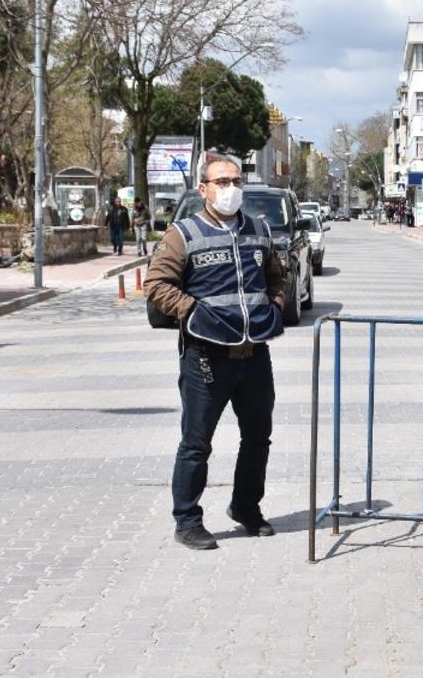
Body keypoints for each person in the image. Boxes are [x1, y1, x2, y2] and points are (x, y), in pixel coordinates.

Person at [144, 152, 287, 551]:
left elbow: (278, 276)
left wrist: (274, 306)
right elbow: (156, 284)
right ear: (204, 189)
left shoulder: (259, 229)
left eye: (236, 182)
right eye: (222, 183)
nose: (231, 189)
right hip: (205, 359)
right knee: (196, 443)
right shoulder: (183, 234)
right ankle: (187, 520)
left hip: (254, 356)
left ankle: (246, 507)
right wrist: (192, 312)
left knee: (258, 437)